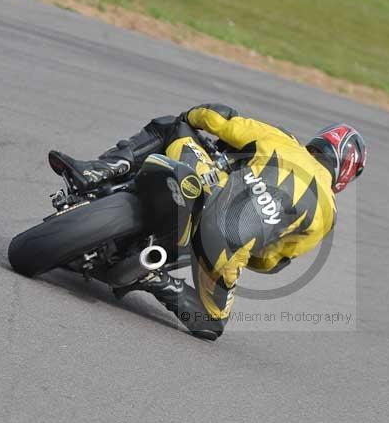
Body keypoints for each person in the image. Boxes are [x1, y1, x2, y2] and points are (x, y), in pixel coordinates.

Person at [47, 104, 366, 341]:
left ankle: (98, 171)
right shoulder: (327, 214)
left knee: (170, 127)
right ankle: (154, 278)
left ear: (319, 141)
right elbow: (272, 262)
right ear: (346, 174)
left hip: (202, 181)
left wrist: (191, 117)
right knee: (211, 323)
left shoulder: (284, 141)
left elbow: (217, 117)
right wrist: (248, 241)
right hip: (223, 248)